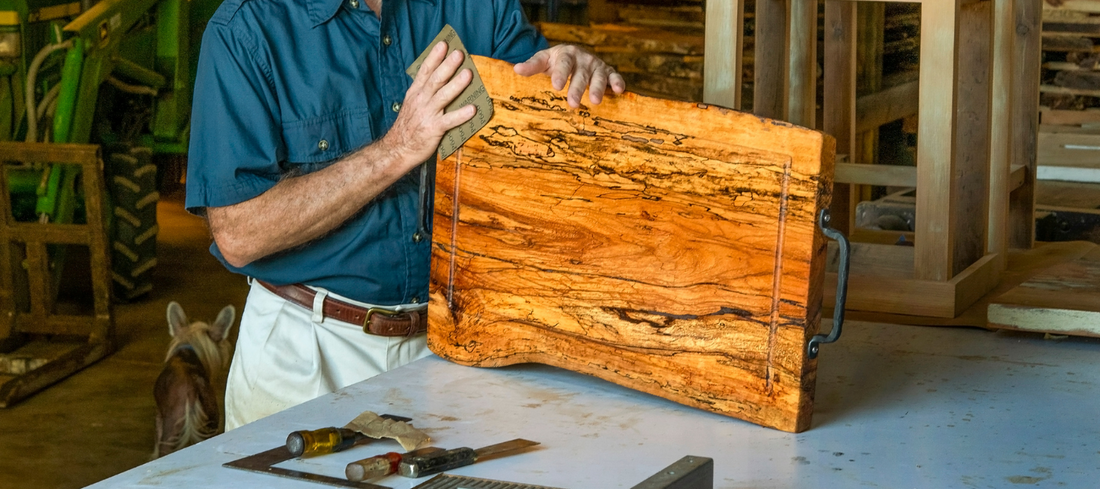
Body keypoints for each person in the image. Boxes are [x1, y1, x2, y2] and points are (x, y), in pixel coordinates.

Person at [185, 0, 626, 429]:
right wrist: (395, 151)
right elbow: (240, 234)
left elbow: (541, 139)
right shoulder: (246, 29)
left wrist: (573, 77)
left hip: (457, 341)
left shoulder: (480, 7)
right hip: (309, 349)